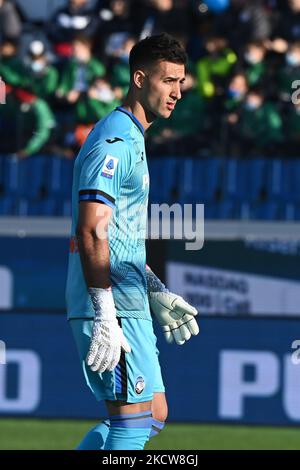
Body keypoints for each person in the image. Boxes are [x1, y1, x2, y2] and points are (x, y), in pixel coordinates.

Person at [65, 33, 199, 451]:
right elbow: (91, 231)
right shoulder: (116, 141)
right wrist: (106, 313)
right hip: (111, 305)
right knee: (131, 421)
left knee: (153, 412)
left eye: (181, 81)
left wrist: (153, 288)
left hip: (127, 297)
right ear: (139, 79)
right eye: (167, 81)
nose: (177, 92)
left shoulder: (134, 137)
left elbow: (119, 236)